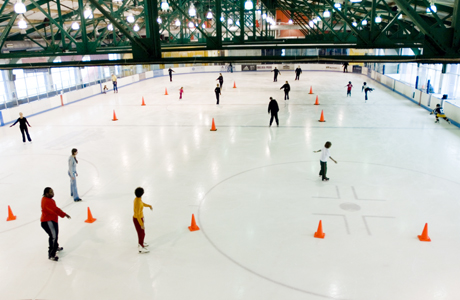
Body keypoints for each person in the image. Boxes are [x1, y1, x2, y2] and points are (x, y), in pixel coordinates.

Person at [40, 187, 71, 261]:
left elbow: (55, 209)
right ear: (46, 194)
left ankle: (55, 247)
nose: (53, 193)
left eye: (52, 191)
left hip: (52, 221)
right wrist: (62, 214)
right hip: (48, 222)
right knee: (53, 237)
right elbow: (53, 210)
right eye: (51, 192)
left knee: (55, 235)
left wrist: (64, 214)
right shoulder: (46, 202)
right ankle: (51, 254)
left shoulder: (49, 200)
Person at [133, 187, 153, 254]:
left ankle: (140, 242)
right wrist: (141, 224)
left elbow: (142, 204)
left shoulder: (137, 199)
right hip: (138, 219)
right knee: (142, 233)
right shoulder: (138, 202)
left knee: (141, 233)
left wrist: (149, 205)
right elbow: (138, 215)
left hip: (139, 218)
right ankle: (141, 247)